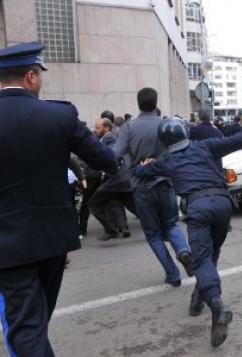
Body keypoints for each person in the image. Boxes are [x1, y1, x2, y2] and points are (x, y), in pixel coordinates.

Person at [0, 41, 117, 356]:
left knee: (26, 325)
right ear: (31, 76)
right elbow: (106, 159)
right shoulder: (60, 115)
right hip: (53, 240)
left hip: (7, 244)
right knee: (36, 322)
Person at [134, 117, 242, 347]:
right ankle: (198, 297)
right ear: (185, 133)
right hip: (223, 205)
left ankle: (217, 305)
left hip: (198, 208)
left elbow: (140, 173)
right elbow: (239, 138)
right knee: (210, 255)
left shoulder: (165, 160)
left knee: (201, 260)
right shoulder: (205, 146)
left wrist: (143, 165)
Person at [113, 87, 194, 286]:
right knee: (171, 224)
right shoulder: (165, 125)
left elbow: (115, 154)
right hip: (165, 183)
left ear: (139, 103)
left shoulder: (129, 128)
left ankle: (173, 275)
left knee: (152, 234)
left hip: (141, 187)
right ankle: (184, 252)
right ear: (156, 102)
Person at [89, 117, 138, 240]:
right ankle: (116, 229)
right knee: (130, 205)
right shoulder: (105, 139)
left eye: (98, 128)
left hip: (118, 178)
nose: (95, 130)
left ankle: (112, 230)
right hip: (121, 179)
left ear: (106, 128)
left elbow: (112, 156)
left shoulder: (110, 139)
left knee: (94, 203)